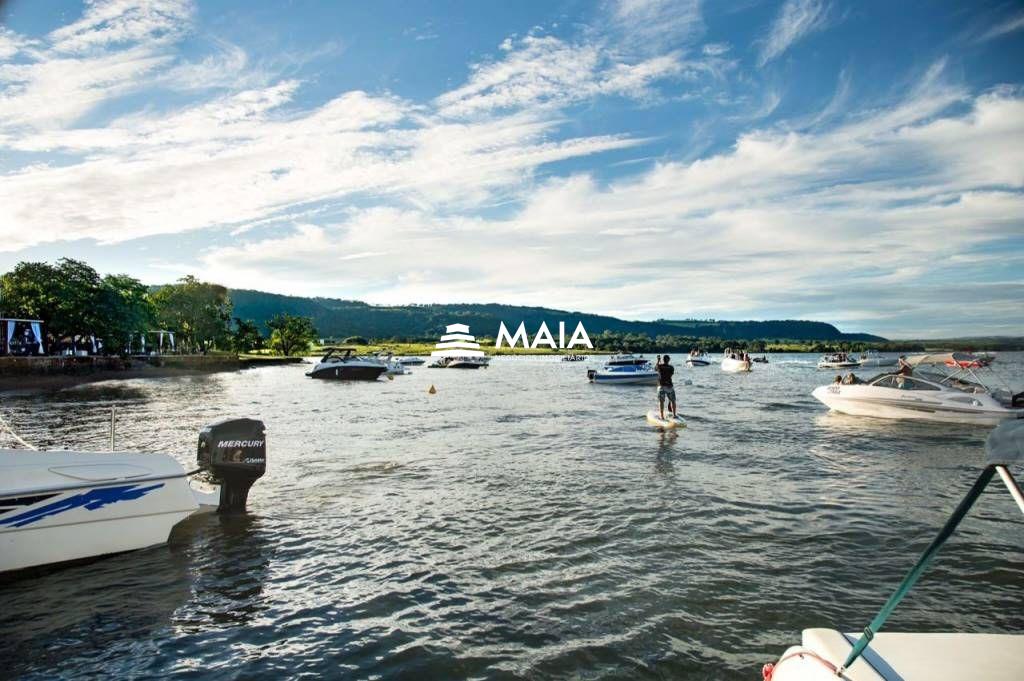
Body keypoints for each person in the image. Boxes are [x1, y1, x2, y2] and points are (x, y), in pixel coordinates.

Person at [656, 354, 676, 420]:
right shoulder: (671, 367)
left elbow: (656, 368)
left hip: (661, 386)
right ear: (669, 360)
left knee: (661, 402)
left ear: (663, 360)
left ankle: (662, 416)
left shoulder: (660, 366)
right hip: (669, 386)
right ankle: (674, 415)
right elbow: (671, 374)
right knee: (673, 401)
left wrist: (658, 360)